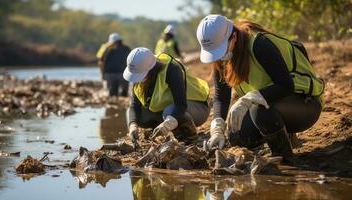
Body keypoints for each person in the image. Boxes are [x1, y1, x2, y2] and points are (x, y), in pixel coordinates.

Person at [196, 15, 324, 161]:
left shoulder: (259, 44)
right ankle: (285, 135)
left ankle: (285, 159)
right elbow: (221, 97)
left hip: (305, 104)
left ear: (234, 37)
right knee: (235, 134)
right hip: (274, 107)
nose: (219, 55)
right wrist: (217, 129)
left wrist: (248, 99)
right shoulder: (222, 58)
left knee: (259, 109)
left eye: (221, 49)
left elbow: (286, 86)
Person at [123, 47, 210, 144]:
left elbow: (181, 105)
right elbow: (134, 106)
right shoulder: (140, 76)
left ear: (150, 68)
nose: (137, 78)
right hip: (170, 111)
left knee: (169, 111)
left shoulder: (171, 70)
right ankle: (159, 129)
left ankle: (189, 137)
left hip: (197, 108)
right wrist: (132, 126)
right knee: (134, 115)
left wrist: (167, 125)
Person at [97, 33, 131, 97]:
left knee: (114, 93)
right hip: (119, 74)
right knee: (119, 93)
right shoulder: (126, 48)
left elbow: (100, 62)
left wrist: (102, 74)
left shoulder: (105, 48)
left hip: (114, 74)